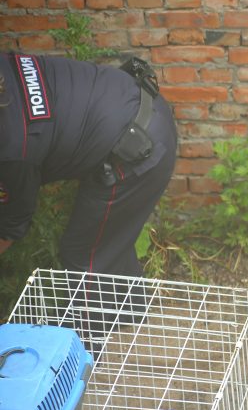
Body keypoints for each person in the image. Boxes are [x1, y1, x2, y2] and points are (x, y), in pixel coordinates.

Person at [0, 53, 177, 338]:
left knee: (86, 256)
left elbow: (10, 226)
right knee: (110, 242)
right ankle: (133, 318)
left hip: (138, 146)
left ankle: (84, 353)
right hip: (139, 107)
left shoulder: (10, 150)